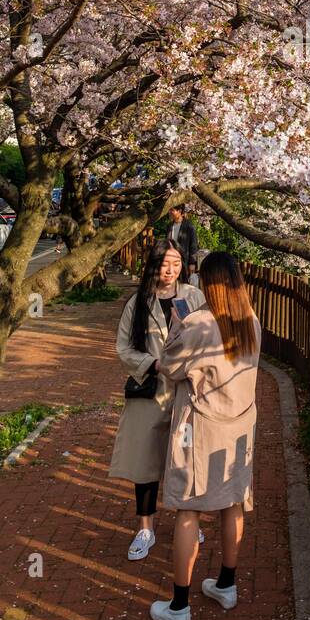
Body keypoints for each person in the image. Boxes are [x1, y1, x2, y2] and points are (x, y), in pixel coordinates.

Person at [150, 251, 261, 620]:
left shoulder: (199, 323)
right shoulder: (252, 322)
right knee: (233, 502)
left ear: (206, 283)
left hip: (199, 428)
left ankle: (179, 606)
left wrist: (177, 324)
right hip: (239, 428)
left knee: (188, 510)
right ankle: (226, 585)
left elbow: (171, 365)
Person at [108, 239, 206, 559]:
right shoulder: (138, 302)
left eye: (176, 264)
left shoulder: (193, 297)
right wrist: (154, 364)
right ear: (152, 265)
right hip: (151, 391)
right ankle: (145, 528)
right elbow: (124, 348)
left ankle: (188, 520)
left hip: (186, 393)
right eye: (165, 264)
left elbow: (208, 338)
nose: (171, 270)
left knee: (185, 459)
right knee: (146, 464)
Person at [167, 205, 198, 282]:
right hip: (171, 259)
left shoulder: (189, 226)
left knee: (184, 284)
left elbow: (193, 245)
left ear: (180, 211)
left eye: (172, 210)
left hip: (184, 261)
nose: (170, 212)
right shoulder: (169, 226)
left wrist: (192, 263)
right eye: (170, 210)